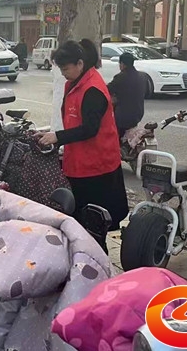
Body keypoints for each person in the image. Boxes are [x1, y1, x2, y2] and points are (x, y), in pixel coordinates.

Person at [36, 39, 128, 250]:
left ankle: (96, 260)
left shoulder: (92, 89)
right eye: (61, 69)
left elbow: (89, 129)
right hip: (79, 161)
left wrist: (57, 137)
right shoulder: (75, 83)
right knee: (80, 221)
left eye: (66, 69)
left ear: (80, 63)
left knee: (94, 224)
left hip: (96, 166)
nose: (63, 74)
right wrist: (53, 136)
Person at [107, 52, 146, 138]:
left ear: (122, 64)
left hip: (123, 117)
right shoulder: (141, 76)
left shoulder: (120, 77)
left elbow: (107, 89)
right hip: (138, 114)